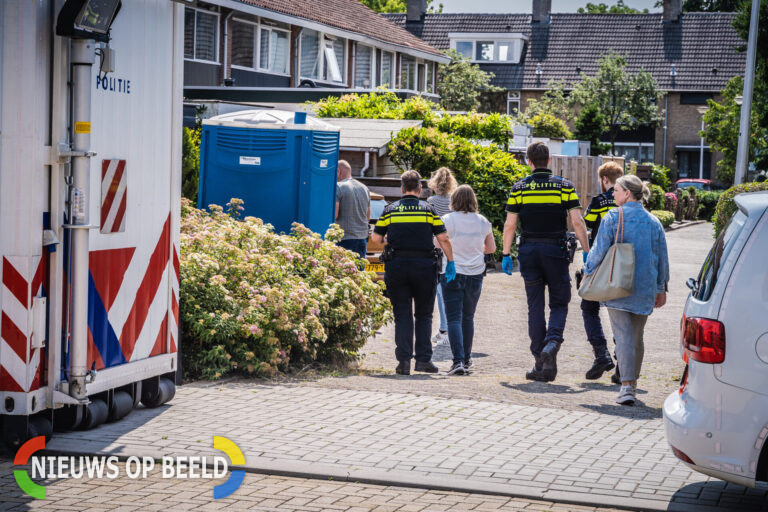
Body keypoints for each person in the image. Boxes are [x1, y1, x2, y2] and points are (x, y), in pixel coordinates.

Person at [501, 142, 590, 382]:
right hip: (556, 251)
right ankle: (552, 344)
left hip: (528, 251)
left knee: (535, 306)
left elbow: (510, 225)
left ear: (529, 162)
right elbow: (578, 222)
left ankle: (541, 363)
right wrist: (587, 252)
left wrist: (506, 254)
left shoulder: (519, 188)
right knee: (560, 303)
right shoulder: (564, 186)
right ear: (549, 160)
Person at [583, 175, 670, 405]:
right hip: (645, 286)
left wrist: (588, 271)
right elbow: (662, 257)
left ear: (627, 194)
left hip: (617, 283)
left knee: (622, 337)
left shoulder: (613, 216)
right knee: (636, 337)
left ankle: (627, 387)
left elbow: (599, 249)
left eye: (616, 190)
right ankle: (632, 383)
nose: (613, 194)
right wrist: (661, 288)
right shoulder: (654, 221)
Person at [371, 170, 456, 376]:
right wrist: (451, 261)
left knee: (402, 314)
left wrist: (388, 241)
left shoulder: (390, 210)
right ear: (420, 189)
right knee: (424, 315)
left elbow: (375, 238)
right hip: (424, 267)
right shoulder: (428, 210)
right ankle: (423, 360)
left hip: (397, 266)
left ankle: (404, 362)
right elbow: (443, 238)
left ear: (401, 189)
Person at [440, 185, 495, 376]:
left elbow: (437, 243)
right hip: (475, 273)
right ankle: (467, 358)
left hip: (452, 272)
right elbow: (491, 248)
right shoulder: (483, 221)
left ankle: (457, 361)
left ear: (454, 200)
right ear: (474, 200)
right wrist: (476, 247)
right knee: (468, 317)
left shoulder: (447, 220)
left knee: (453, 318)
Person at [580, 161, 623, 381]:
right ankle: (622, 361)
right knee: (619, 312)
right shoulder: (628, 202)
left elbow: (587, 228)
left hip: (599, 263)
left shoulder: (598, 201)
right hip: (622, 265)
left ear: (604, 180)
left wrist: (587, 260)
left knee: (589, 308)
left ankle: (601, 355)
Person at [427, 167, 457, 347]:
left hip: (436, 247)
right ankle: (447, 327)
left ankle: (445, 327)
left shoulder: (431, 201)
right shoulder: (454, 201)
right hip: (452, 246)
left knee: (439, 290)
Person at [335, 160, 370, 260]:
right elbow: (368, 217)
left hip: (344, 238)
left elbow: (335, 215)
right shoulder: (364, 188)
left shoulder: (338, 187)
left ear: (338, 171)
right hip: (362, 238)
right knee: (359, 273)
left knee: (343, 273)